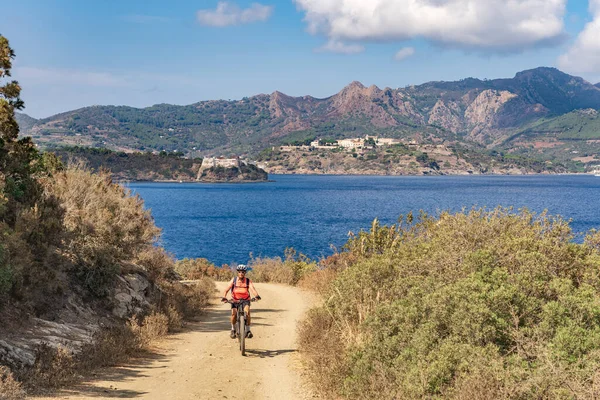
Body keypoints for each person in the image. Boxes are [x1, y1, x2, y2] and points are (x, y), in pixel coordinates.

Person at [221, 264, 261, 339]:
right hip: (235, 300)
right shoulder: (234, 280)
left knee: (247, 312)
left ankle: (248, 330)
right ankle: (233, 329)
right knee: (234, 314)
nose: (241, 273)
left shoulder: (248, 281)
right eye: (239, 272)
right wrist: (224, 297)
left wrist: (257, 296)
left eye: (243, 272)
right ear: (237, 272)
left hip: (245, 300)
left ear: (245, 273)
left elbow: (253, 289)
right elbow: (226, 289)